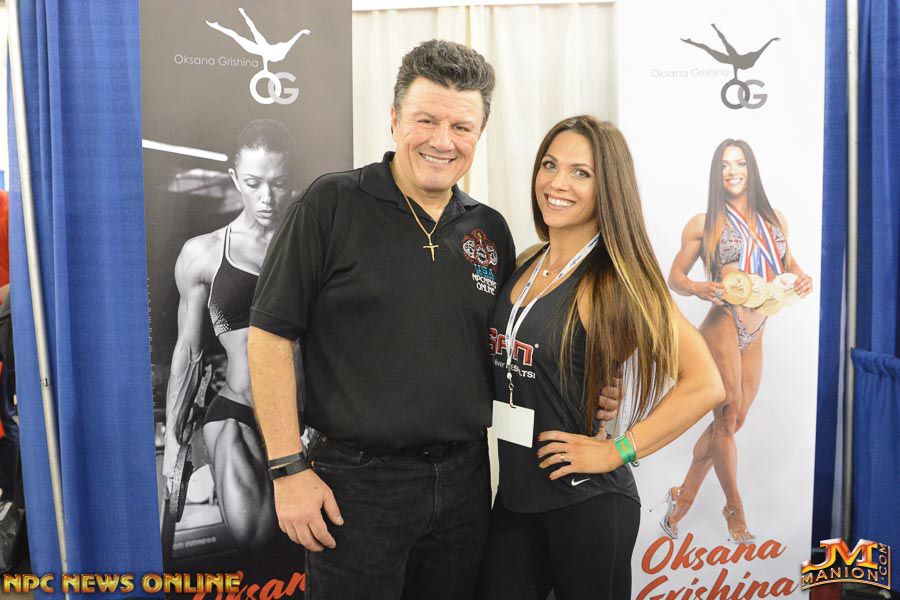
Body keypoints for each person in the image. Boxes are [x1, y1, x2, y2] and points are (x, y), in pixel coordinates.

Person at [247, 41, 619, 600]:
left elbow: (511, 345)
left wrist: (591, 387)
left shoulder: (489, 229)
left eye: (461, 127)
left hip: (467, 485)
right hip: (355, 487)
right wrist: (286, 469)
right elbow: (270, 337)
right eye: (426, 120)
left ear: (479, 133)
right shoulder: (330, 205)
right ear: (394, 119)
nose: (443, 141)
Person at [474, 116, 725, 599]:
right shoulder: (527, 262)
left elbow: (705, 382)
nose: (557, 183)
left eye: (580, 173)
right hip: (516, 499)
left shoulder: (616, 281)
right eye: (550, 165)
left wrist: (617, 450)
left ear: (608, 187)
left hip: (587, 504)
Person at [663, 139, 813, 543]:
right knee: (727, 418)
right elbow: (675, 277)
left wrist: (802, 278)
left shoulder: (775, 219)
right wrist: (697, 287)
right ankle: (734, 509)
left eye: (740, 163)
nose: (733, 171)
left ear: (751, 169)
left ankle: (684, 494)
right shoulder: (704, 222)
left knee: (734, 420)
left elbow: (788, 263)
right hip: (724, 322)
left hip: (759, 327)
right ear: (717, 172)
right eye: (725, 165)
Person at [161, 119, 297, 551]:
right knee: (256, 539)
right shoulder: (203, 253)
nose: (267, 197)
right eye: (254, 183)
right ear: (236, 179)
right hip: (240, 410)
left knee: (309, 547)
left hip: (307, 417)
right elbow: (189, 352)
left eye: (278, 183)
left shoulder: (313, 244)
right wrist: (174, 440)